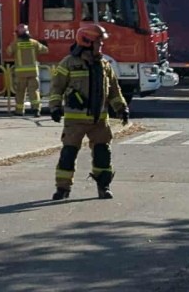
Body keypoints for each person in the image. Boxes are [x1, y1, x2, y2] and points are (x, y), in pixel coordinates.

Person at [48, 23, 129, 200]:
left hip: (99, 120)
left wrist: (121, 108)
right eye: (98, 41)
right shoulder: (68, 63)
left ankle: (104, 186)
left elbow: (114, 90)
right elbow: (56, 88)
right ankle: (62, 189)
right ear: (86, 42)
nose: (101, 45)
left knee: (102, 154)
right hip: (74, 121)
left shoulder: (104, 65)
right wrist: (54, 107)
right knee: (68, 154)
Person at [7, 24, 48, 116]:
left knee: (20, 92)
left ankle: (19, 111)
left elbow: (8, 52)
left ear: (18, 34)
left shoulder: (15, 44)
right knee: (34, 92)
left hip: (20, 74)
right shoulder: (34, 43)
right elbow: (45, 50)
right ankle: (36, 110)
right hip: (33, 73)